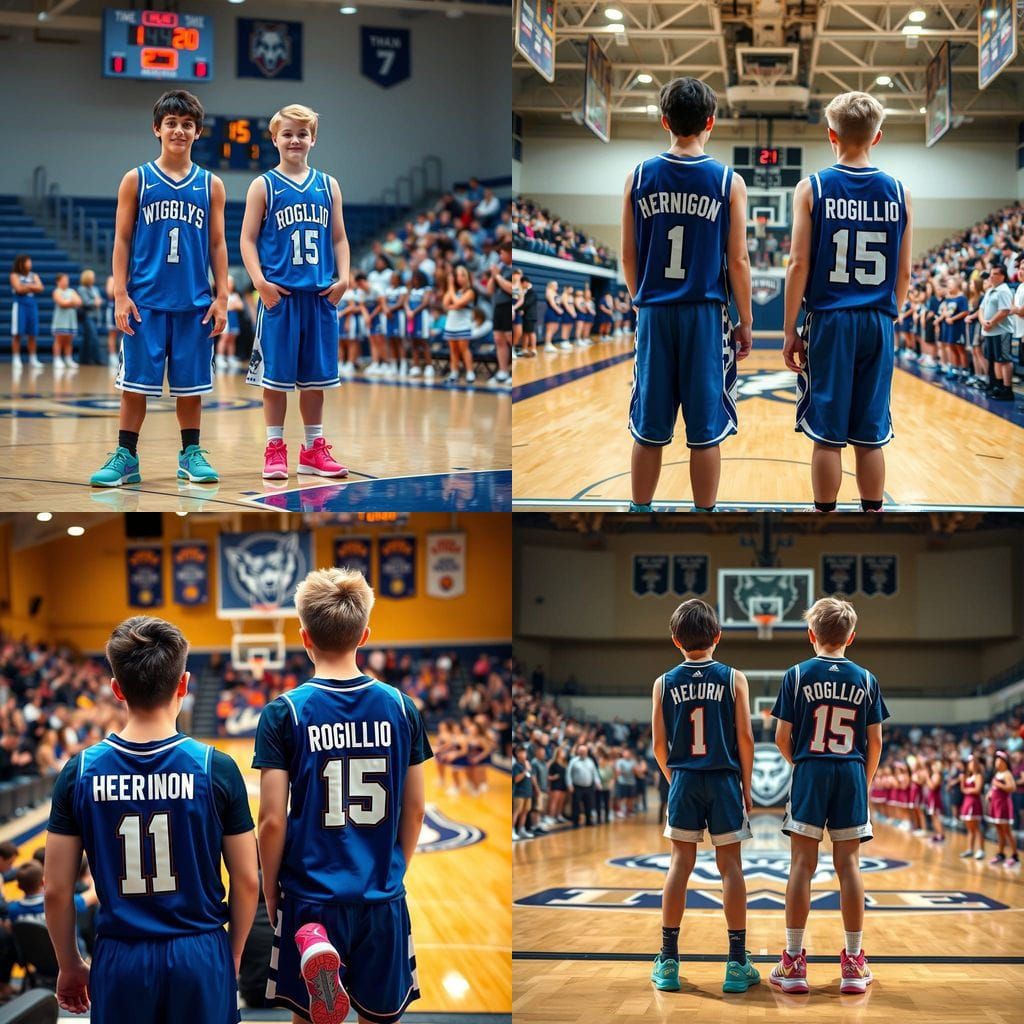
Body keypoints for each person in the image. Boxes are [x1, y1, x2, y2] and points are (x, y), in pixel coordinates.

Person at [44, 615, 259, 1021]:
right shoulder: (217, 768)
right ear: (183, 684)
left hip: (120, 955)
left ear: (116, 689)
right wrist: (229, 955)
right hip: (199, 949)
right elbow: (248, 880)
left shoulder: (80, 771)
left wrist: (70, 964)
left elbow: (55, 889)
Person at [254, 567, 430, 1024]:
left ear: (303, 636)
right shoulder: (401, 706)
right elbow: (415, 811)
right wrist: (392, 873)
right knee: (380, 1016)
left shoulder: (284, 712)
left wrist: (272, 893)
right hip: (379, 895)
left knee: (310, 1018)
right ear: (365, 635)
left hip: (312, 897)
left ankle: (317, 951)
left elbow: (271, 820)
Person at [620, 77, 752, 513]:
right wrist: (745, 321)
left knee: (649, 428)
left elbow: (628, 255)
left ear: (664, 122)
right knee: (705, 429)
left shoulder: (637, 176)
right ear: (710, 122)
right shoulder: (728, 181)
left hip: (655, 310)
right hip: (704, 313)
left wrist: (641, 301)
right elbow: (738, 262)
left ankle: (639, 512)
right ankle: (705, 516)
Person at [90, 90, 228, 488]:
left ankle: (191, 454)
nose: (179, 130)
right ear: (157, 128)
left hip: (193, 301)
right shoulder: (136, 179)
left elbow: (218, 244)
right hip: (145, 301)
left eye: (187, 125)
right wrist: (120, 293)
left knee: (191, 387)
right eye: (171, 123)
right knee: (134, 386)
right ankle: (126, 456)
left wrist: (222, 297)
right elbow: (120, 239)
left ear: (198, 132)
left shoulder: (211, 185)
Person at [783, 91, 912, 512]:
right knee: (871, 434)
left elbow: (798, 263)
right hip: (877, 318)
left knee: (828, 434)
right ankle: (872, 515)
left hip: (830, 319)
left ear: (830, 135)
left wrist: (790, 330)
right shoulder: (899, 192)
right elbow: (904, 274)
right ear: (878, 137)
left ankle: (825, 520)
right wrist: (887, 315)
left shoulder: (812, 187)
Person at [770, 597, 888, 995]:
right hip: (851, 771)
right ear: (851, 637)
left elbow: (781, 738)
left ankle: (793, 962)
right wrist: (863, 779)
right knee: (849, 866)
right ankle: (854, 964)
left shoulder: (797, 675)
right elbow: (875, 742)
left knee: (802, 865)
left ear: (811, 635)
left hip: (811, 768)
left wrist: (802, 763)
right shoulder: (867, 679)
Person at [650, 598, 758, 995]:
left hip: (684, 779)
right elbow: (745, 738)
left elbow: (659, 746)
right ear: (718, 636)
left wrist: (675, 778)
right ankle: (736, 963)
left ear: (675, 640)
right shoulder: (734, 679)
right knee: (731, 868)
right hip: (725, 779)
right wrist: (746, 786)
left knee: (679, 865)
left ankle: (668, 960)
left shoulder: (663, 682)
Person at [241, 104, 350, 482]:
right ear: (274, 139)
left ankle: (313, 451)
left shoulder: (328, 184)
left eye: (302, 134)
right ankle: (274, 449)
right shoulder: (263, 185)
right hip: (280, 298)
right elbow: (247, 239)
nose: (295, 140)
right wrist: (259, 282)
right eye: (287, 134)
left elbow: (338, 236)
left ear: (313, 139)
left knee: (316, 381)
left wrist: (345, 278)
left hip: (320, 297)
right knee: (275, 380)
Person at [978, 264, 1015, 400]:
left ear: (1002, 276)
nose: (991, 276)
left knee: (1004, 360)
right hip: (990, 331)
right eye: (991, 273)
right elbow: (981, 308)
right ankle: (998, 386)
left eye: (995, 274)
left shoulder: (1004, 291)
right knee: (995, 360)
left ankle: (1007, 389)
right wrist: (983, 321)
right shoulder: (990, 290)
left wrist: (991, 322)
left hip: (1001, 331)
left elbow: (1004, 310)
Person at [443, 264, 477, 385]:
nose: (460, 278)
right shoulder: (454, 291)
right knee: (453, 350)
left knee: (464, 349)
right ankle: (454, 373)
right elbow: (445, 304)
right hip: (451, 324)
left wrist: (454, 303)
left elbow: (458, 302)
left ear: (467, 277)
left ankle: (470, 372)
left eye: (462, 275)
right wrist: (450, 287)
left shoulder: (470, 292)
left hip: (463, 324)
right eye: (457, 275)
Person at [9, 255, 44, 369]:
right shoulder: (14, 275)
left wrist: (26, 286)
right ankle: (16, 358)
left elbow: (41, 288)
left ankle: (33, 358)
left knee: (33, 333)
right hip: (20, 305)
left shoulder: (34, 275)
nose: (30, 264)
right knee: (17, 333)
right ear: (21, 263)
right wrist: (32, 286)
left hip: (31, 305)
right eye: (28, 261)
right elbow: (18, 289)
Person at [51, 273, 82, 369]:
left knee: (69, 340)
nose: (66, 282)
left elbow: (79, 302)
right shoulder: (56, 291)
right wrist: (71, 302)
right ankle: (57, 359)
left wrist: (69, 302)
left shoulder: (71, 291)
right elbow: (61, 303)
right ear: (58, 281)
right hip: (60, 319)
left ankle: (68, 359)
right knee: (59, 340)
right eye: (64, 280)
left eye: (67, 280)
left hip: (70, 319)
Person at [75, 269, 105, 366]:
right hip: (87, 316)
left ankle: (83, 359)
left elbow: (100, 300)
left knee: (87, 338)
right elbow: (85, 302)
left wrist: (99, 302)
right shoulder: (81, 289)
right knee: (93, 337)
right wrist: (95, 302)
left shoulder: (95, 289)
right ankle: (97, 359)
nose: (94, 279)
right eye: (92, 277)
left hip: (96, 316)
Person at [959, 755, 986, 860]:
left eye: (974, 763)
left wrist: (967, 790)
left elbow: (977, 790)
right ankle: (970, 849)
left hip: (974, 802)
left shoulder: (979, 776)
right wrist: (962, 781)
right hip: (967, 802)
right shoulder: (967, 777)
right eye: (970, 763)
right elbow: (963, 789)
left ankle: (981, 850)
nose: (972, 765)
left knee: (977, 827)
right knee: (970, 828)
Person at [216, 275, 244, 371]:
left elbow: (241, 306)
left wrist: (232, 306)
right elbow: (222, 307)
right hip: (226, 320)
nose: (230, 284)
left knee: (232, 339)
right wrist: (232, 305)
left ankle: (230, 358)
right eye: (228, 282)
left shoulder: (235, 295)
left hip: (233, 320)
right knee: (224, 338)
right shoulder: (221, 296)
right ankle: (219, 358)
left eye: (231, 282)